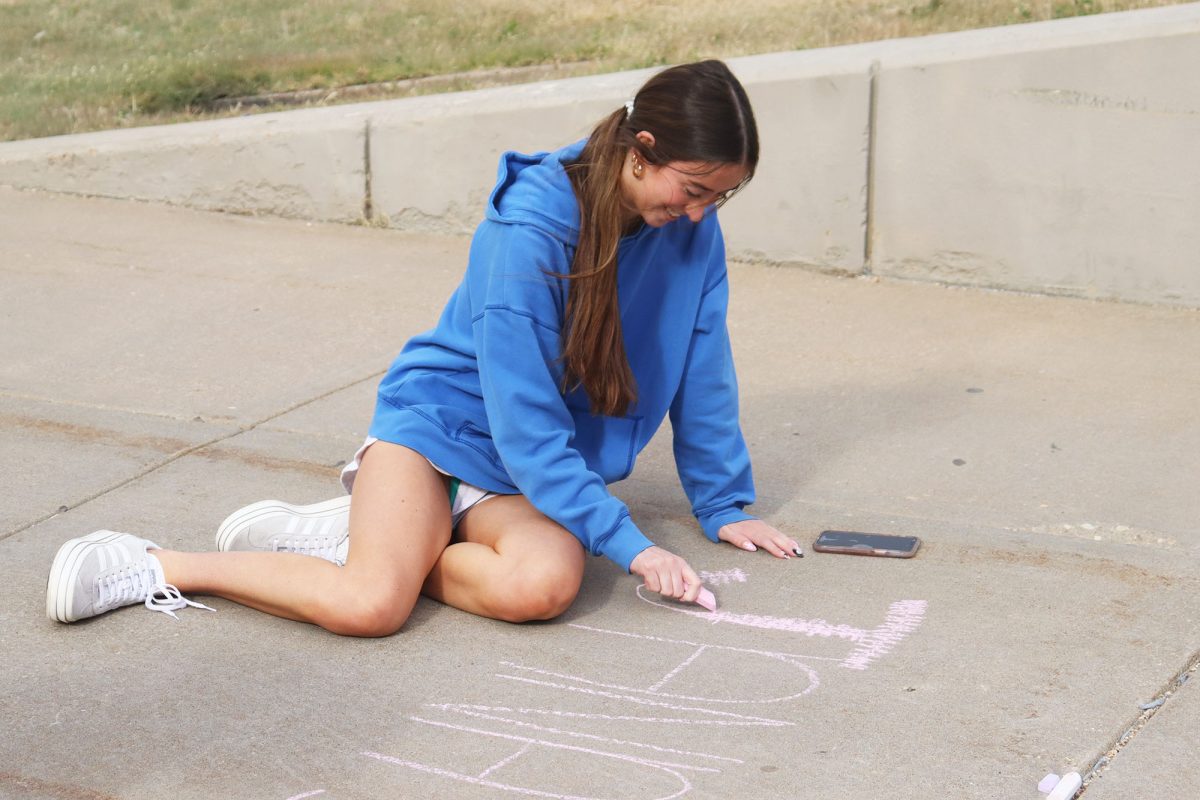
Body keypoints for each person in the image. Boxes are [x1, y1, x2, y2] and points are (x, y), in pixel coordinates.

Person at [46, 59, 803, 635]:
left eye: (721, 197)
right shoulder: (531, 227)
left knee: (541, 589)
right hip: (446, 430)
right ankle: (160, 564)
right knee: (372, 605)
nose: (703, 215)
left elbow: (704, 367)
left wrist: (721, 500)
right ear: (642, 150)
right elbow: (525, 419)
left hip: (524, 471)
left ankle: (372, 536)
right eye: (696, 188)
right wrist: (631, 545)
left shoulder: (690, 238)